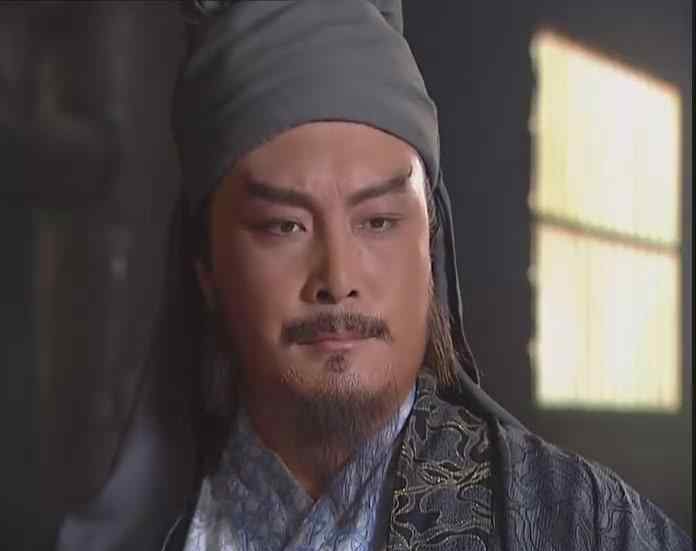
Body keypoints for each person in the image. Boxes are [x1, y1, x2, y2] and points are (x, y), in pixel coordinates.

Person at [56, 1, 693, 550]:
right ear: (206, 269)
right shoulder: (147, 535)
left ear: (430, 248)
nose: (338, 279)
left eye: (379, 221)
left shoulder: (587, 525)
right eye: (284, 226)